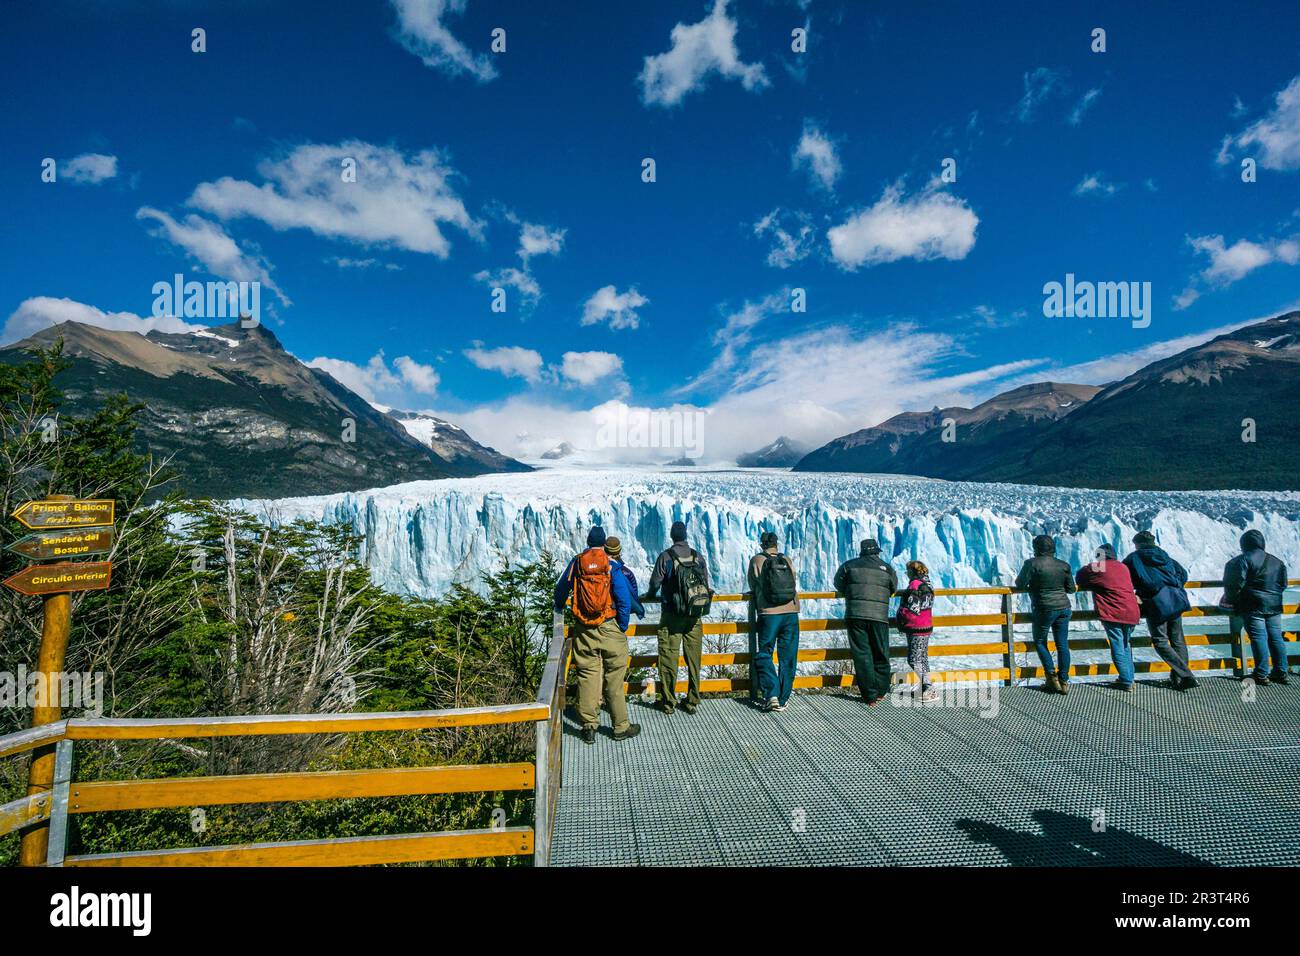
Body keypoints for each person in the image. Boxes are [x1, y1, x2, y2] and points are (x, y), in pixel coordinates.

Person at [552, 526, 642, 744]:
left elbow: (560, 591)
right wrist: (621, 625)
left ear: (588, 541)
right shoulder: (611, 565)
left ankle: (589, 726)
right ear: (603, 544)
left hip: (584, 628)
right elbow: (623, 598)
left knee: (587, 675)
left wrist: (560, 608)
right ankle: (620, 726)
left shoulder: (577, 562)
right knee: (614, 677)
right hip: (610, 625)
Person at [643, 520, 712, 714]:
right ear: (686, 536)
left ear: (672, 536)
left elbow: (655, 583)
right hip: (694, 616)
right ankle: (692, 700)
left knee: (668, 657)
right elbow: (705, 584)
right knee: (694, 659)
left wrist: (649, 595)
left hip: (672, 616)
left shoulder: (666, 556)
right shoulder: (698, 557)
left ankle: (668, 702)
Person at [1123, 531, 1197, 690]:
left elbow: (1124, 577)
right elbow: (1183, 574)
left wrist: (1142, 588)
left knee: (1160, 641)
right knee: (1177, 640)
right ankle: (1180, 678)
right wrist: (1173, 585)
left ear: (1138, 544)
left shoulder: (1134, 558)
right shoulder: (1165, 556)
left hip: (1155, 603)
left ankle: (1186, 675)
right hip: (1176, 600)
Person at [833, 538, 897, 705]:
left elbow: (838, 583)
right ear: (877, 551)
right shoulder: (887, 568)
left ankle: (869, 696)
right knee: (881, 653)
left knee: (862, 656)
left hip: (855, 616)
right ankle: (881, 691)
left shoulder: (849, 566)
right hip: (879, 617)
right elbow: (893, 588)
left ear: (861, 551)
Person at [1223, 530, 1290, 685]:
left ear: (1244, 544)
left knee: (1258, 637)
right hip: (1274, 605)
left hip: (1252, 605)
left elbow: (1234, 585)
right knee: (1275, 637)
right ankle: (1281, 671)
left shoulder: (1241, 560)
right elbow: (1283, 584)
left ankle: (1261, 673)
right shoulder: (1277, 562)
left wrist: (1233, 601)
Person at [1016, 534, 1077, 694]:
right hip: (1064, 607)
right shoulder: (1063, 565)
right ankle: (1064, 681)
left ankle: (1051, 678)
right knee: (1062, 644)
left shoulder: (1031, 564)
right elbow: (1071, 588)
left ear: (1036, 548)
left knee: (1040, 641)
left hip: (1044, 608)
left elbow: (1019, 584)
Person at [1076, 544, 1141, 692]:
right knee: (1126, 645)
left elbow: (1080, 577)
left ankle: (1126, 681)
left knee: (1117, 645)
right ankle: (1129, 677)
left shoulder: (1100, 566)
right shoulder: (1122, 567)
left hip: (1114, 612)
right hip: (1131, 610)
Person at [747, 531, 800, 712]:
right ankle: (784, 698)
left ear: (762, 544)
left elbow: (753, 584)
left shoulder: (757, 560)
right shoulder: (787, 559)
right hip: (791, 614)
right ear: (776, 544)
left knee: (764, 653)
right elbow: (793, 581)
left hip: (769, 615)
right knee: (788, 656)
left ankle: (772, 695)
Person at [897, 560, 937, 702]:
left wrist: (901, 619)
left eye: (908, 571)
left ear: (912, 572)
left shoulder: (914, 585)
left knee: (913, 659)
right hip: (926, 626)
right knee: (923, 658)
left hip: (916, 627)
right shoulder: (928, 584)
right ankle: (925, 688)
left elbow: (912, 609)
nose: (906, 573)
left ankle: (929, 688)